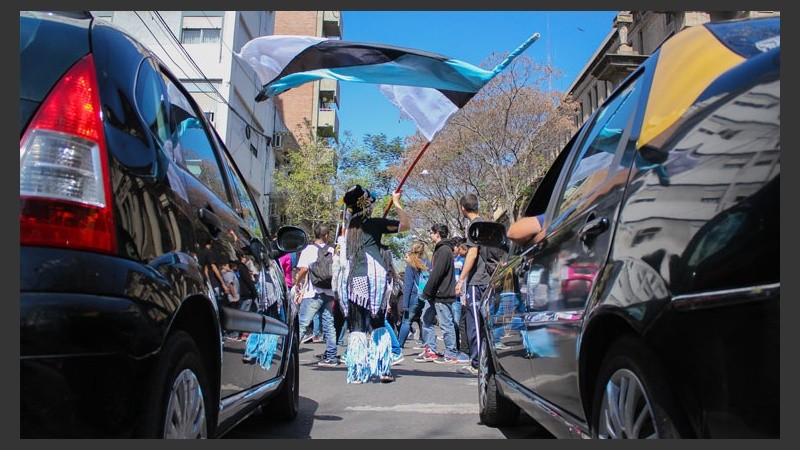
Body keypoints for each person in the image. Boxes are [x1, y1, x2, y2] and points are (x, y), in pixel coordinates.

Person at [336, 185, 410, 384]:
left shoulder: (349, 229)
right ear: (367, 206)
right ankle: (383, 369)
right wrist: (396, 202)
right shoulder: (375, 224)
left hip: (354, 277)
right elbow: (406, 224)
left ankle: (358, 372)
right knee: (377, 321)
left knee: (357, 325)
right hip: (374, 276)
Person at [455, 194, 498, 375]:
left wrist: (461, 279)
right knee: (484, 321)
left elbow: (473, 253)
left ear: (463, 208)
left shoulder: (474, 226)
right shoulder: (486, 224)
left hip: (477, 280)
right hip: (488, 278)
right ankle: (484, 362)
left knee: (474, 322)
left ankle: (477, 364)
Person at [414, 224, 469, 364]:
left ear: (437, 233)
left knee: (446, 324)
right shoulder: (442, 249)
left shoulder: (443, 250)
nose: (429, 235)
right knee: (425, 319)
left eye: (431, 232)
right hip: (435, 293)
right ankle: (431, 349)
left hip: (441, 293)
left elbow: (437, 273)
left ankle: (451, 353)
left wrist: (427, 291)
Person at [294, 224, 339, 367]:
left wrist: (297, 282)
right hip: (329, 292)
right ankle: (331, 356)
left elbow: (304, 269)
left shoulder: (308, 249)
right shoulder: (333, 250)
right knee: (329, 325)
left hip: (313, 293)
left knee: (302, 324)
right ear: (326, 236)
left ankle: (291, 354)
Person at [397, 241, 429, 349]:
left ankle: (399, 345)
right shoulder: (427, 263)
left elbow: (408, 285)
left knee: (406, 321)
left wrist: (405, 304)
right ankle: (427, 344)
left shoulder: (411, 265)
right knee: (424, 321)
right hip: (425, 296)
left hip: (414, 297)